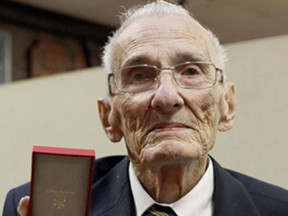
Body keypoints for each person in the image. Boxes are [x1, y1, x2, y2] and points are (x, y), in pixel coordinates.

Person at [3, 1, 288, 215]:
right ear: (109, 118)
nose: (167, 97)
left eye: (190, 71)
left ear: (228, 106)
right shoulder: (39, 208)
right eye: (140, 75)